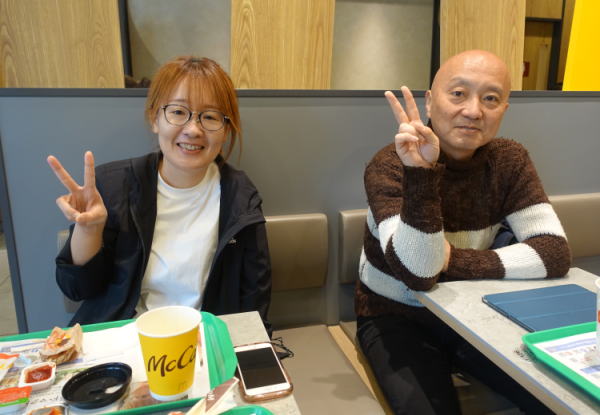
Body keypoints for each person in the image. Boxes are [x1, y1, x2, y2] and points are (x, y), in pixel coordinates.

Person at [355, 50, 570, 414]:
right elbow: (419, 275)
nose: (473, 111)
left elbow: (553, 253)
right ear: (429, 101)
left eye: (491, 99)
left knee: (557, 398)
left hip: (476, 309)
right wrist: (420, 173)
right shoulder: (390, 165)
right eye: (458, 94)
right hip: (394, 315)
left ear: (504, 109)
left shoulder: (510, 161)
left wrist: (452, 260)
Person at [47, 56, 272, 334]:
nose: (193, 129)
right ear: (155, 118)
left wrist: (255, 349)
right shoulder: (114, 185)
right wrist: (89, 230)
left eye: (210, 117)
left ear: (226, 129)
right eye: (178, 112)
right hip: (126, 337)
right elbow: (77, 289)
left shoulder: (240, 196)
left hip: (204, 341)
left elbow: (255, 294)